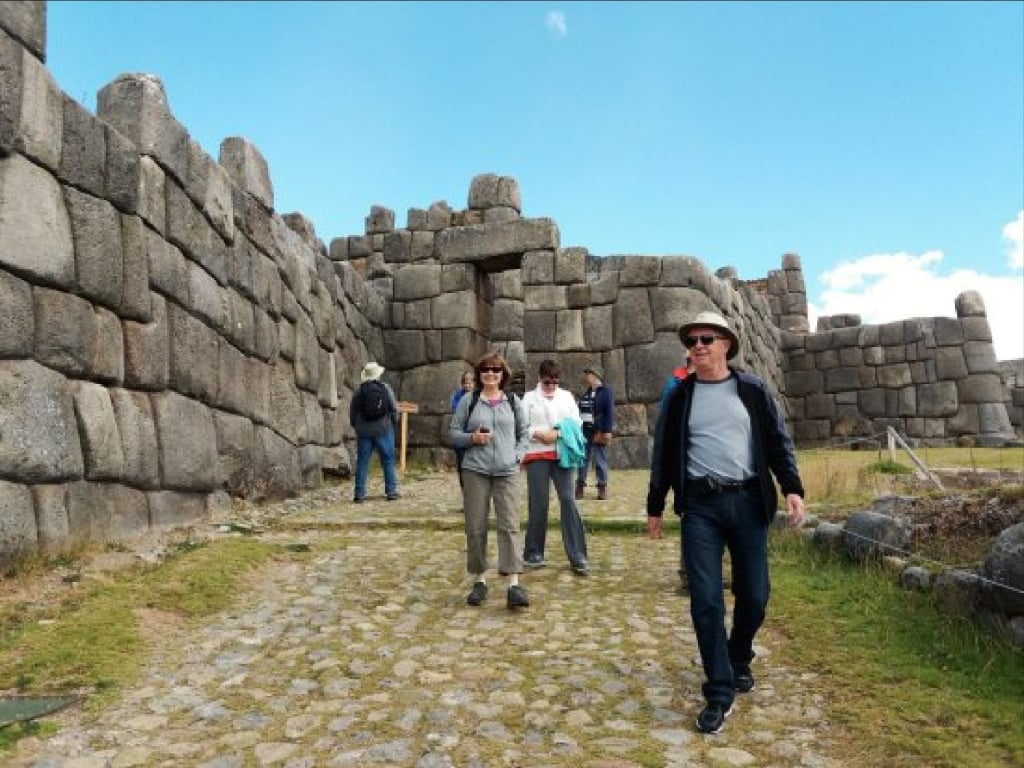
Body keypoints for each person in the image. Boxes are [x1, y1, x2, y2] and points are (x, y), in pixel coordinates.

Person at [646, 310, 805, 735]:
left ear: (726, 345)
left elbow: (776, 441)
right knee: (706, 600)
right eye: (693, 340)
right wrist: (656, 505)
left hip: (748, 503)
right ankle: (719, 690)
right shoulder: (680, 396)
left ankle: (738, 657)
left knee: (754, 595)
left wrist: (792, 487)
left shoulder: (750, 389)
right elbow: (664, 451)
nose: (698, 346)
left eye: (707, 339)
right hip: (701, 507)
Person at [448, 352, 532, 609]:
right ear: (479, 374)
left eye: (496, 370)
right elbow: (453, 433)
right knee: (475, 527)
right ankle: (480, 579)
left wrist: (516, 457)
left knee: (509, 525)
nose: (491, 374)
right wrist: (472, 438)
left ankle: (513, 583)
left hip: (507, 472)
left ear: (502, 374)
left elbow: (524, 433)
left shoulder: (513, 401)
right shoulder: (469, 401)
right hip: (475, 471)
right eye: (485, 370)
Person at [521, 359, 590, 574]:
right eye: (546, 381)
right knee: (538, 503)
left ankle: (577, 554)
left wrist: (558, 433)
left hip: (563, 455)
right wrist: (538, 433)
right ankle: (533, 551)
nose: (550, 385)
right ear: (540, 378)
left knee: (569, 501)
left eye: (554, 381)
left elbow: (576, 422)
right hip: (536, 454)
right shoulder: (529, 398)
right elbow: (522, 425)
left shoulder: (566, 397)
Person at [349, 361, 400, 503]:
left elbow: (353, 412)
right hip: (383, 429)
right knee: (388, 460)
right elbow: (394, 408)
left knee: (362, 462)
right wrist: (393, 422)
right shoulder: (385, 388)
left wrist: (357, 426)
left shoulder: (359, 391)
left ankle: (359, 493)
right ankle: (391, 491)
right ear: (378, 375)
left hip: (364, 431)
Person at [575, 364, 615, 501]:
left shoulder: (605, 392)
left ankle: (602, 486)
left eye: (589, 374)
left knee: (599, 459)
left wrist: (607, 430)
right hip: (585, 430)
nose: (587, 377)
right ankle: (580, 485)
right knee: (582, 459)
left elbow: (609, 412)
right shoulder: (587, 392)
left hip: (599, 430)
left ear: (595, 375)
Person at [450, 369, 476, 488]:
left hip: (475, 440)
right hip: (461, 440)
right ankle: (466, 498)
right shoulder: (457, 397)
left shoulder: (479, 395)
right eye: (465, 382)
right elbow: (458, 411)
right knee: (462, 469)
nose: (468, 385)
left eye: (470, 382)